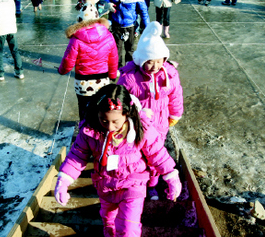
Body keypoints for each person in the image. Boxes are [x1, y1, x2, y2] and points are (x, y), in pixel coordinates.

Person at [54, 84, 182, 237]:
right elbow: (77, 156)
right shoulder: (90, 131)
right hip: (105, 184)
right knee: (109, 222)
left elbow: (158, 154)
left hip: (133, 184)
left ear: (127, 113)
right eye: (104, 120)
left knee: (128, 228)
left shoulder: (142, 129)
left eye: (115, 121)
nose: (110, 127)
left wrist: (171, 177)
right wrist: (64, 180)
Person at [117, 21, 183, 199]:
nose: (154, 66)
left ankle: (152, 185)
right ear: (140, 60)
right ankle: (139, 183)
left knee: (155, 156)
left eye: (158, 61)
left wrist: (175, 113)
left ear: (164, 59)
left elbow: (175, 95)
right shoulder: (130, 78)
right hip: (138, 125)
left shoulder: (169, 75)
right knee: (139, 156)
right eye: (149, 62)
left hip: (160, 124)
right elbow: (120, 98)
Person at [57, 3, 118, 119]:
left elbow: (68, 63)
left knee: (84, 110)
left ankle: (84, 133)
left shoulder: (76, 40)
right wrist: (113, 75)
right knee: (100, 110)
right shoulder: (108, 36)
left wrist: (61, 71)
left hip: (83, 84)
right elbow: (113, 60)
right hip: (103, 82)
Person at [103, 0, 150, 68]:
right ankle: (118, 68)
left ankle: (129, 67)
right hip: (117, 25)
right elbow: (105, 0)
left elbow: (144, 12)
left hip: (130, 26)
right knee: (117, 49)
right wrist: (109, 4)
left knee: (130, 49)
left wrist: (147, 27)